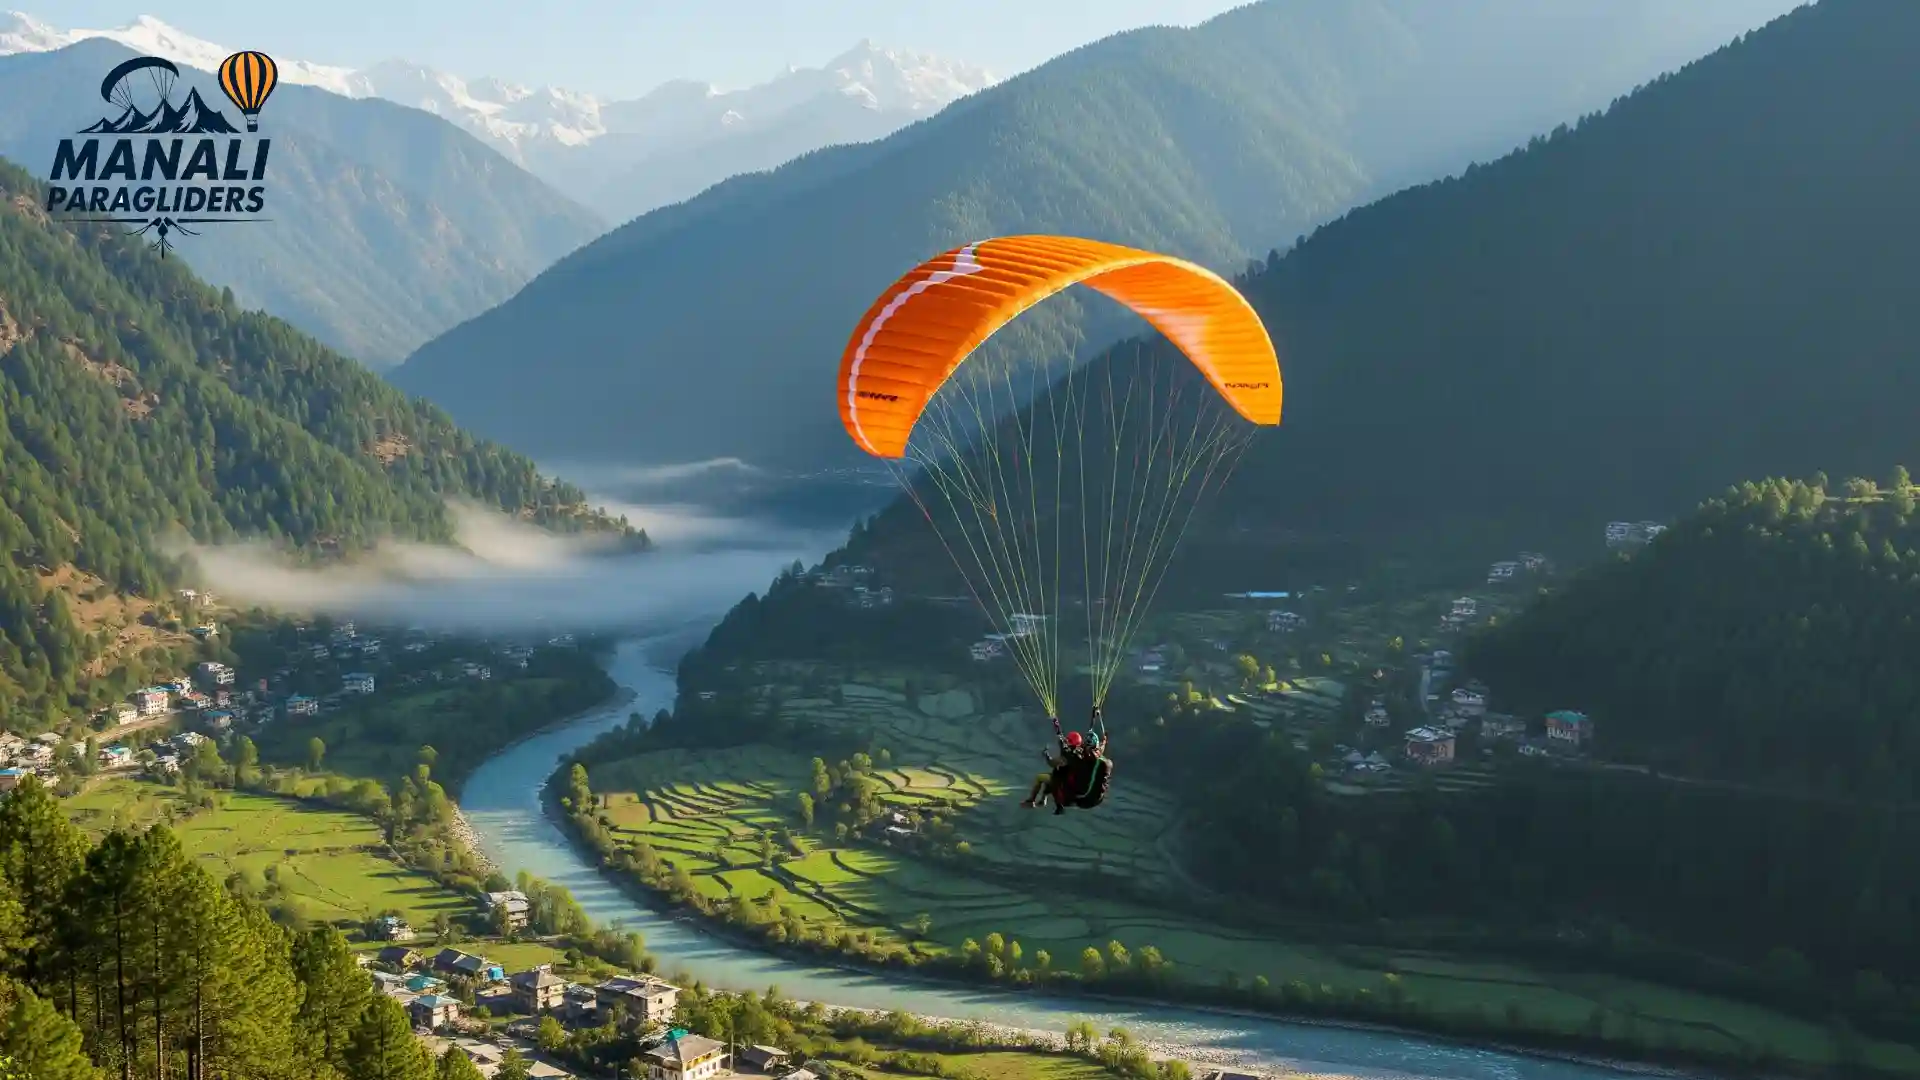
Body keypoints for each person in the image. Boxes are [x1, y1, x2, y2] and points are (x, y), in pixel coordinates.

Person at [1019, 710, 1107, 814]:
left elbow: (1052, 763)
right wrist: (1104, 739)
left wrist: (1046, 755)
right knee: (1052, 778)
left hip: (1069, 785)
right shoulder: (1089, 755)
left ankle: (1031, 801)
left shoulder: (1069, 756)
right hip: (1079, 786)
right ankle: (1043, 800)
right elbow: (1100, 746)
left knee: (1042, 778)